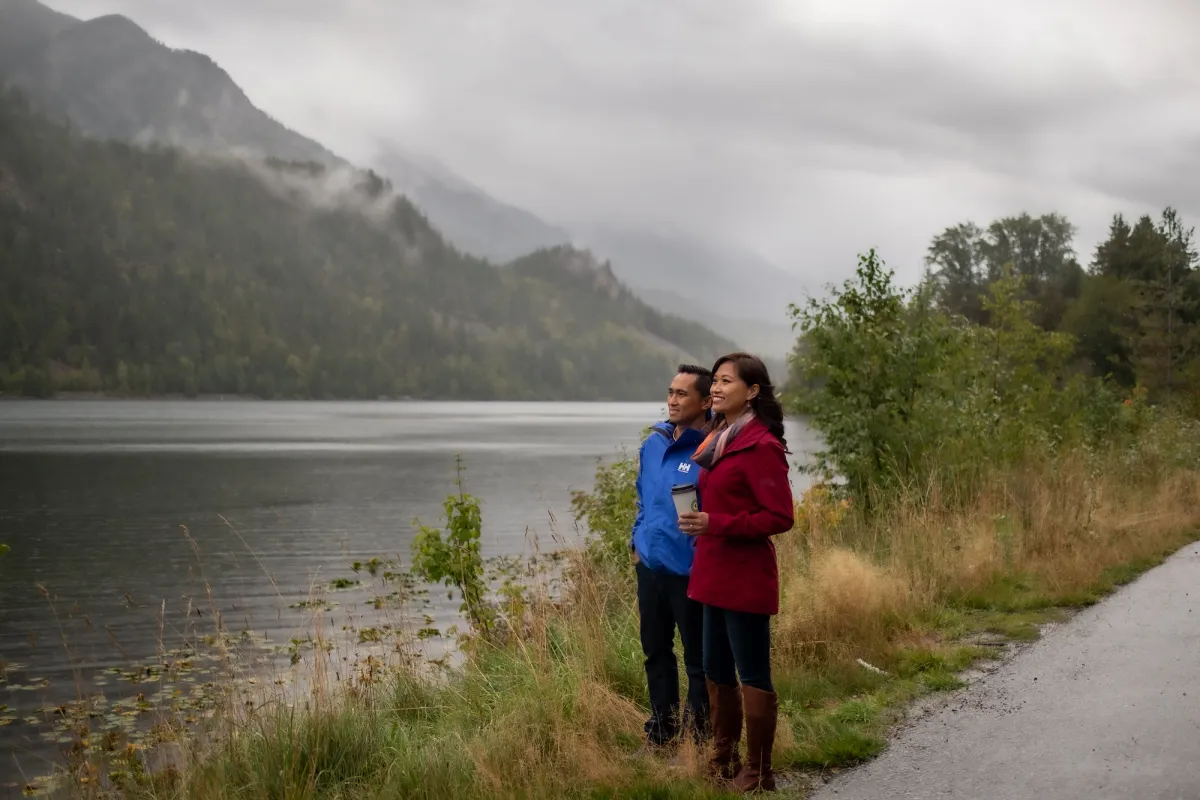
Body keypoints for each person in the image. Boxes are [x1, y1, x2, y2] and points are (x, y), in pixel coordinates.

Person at [678, 352, 794, 792]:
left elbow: (780, 517)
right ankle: (722, 757)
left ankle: (759, 771)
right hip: (711, 571)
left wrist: (717, 523)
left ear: (753, 391)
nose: (717, 389)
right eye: (716, 382)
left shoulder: (762, 445)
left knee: (752, 673)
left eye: (727, 381)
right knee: (714, 669)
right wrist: (695, 516)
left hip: (744, 575)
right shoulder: (717, 437)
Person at [630, 364, 714, 750]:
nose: (672, 400)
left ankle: (697, 741)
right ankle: (661, 732)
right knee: (656, 652)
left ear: (705, 400)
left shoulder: (711, 447)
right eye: (670, 392)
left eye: (682, 394)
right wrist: (636, 543)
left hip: (690, 570)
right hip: (651, 567)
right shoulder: (653, 442)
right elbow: (643, 500)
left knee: (698, 661)